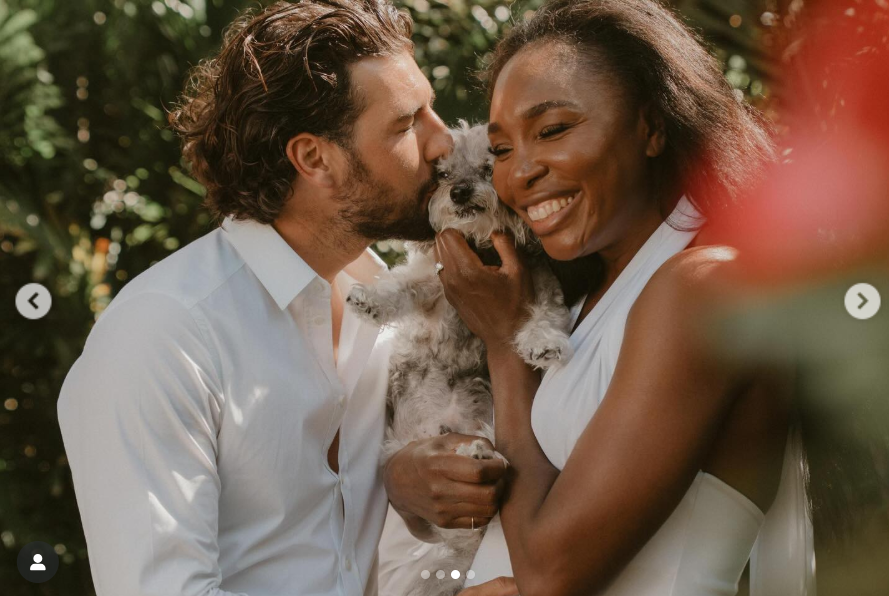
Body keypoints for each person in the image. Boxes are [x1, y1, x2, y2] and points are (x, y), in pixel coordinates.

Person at [56, 2, 506, 595]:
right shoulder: (163, 337)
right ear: (314, 158)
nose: (442, 140)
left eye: (431, 107)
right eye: (406, 123)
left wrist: (398, 480)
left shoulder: (395, 306)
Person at [429, 1, 815, 595]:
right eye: (502, 150)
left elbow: (551, 571)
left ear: (652, 126)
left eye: (552, 129)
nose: (520, 172)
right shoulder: (593, 300)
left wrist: (505, 346)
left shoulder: (702, 287)